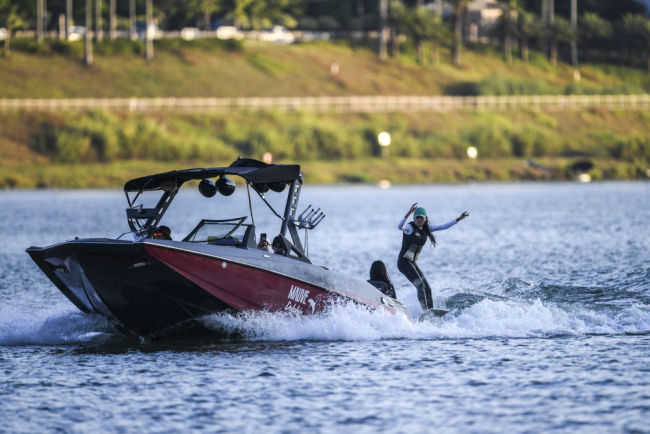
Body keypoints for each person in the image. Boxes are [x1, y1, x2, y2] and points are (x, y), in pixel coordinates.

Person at [397, 203, 468, 311]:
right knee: (420, 285)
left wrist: (458, 219)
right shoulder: (410, 227)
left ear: (425, 219)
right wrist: (409, 213)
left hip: (412, 262)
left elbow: (444, 226)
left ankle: (431, 311)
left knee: (427, 288)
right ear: (414, 218)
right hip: (403, 262)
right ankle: (425, 311)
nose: (419, 220)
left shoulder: (427, 229)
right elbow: (399, 226)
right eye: (417, 217)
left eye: (421, 218)